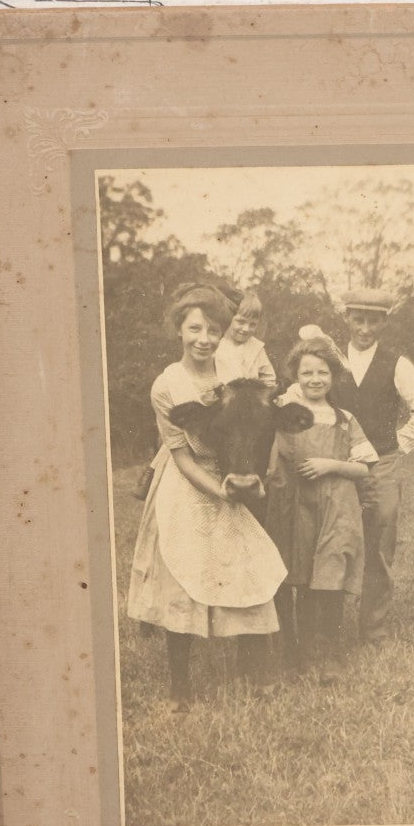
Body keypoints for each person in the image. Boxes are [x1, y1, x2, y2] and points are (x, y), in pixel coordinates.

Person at [127, 284, 287, 708]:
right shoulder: (167, 385)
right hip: (190, 483)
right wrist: (222, 492)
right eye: (194, 328)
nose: (204, 338)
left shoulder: (232, 372)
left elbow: (256, 424)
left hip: (233, 473)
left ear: (223, 333)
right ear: (178, 330)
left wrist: (250, 478)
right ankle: (181, 688)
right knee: (184, 574)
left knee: (246, 567)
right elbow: (181, 457)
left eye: (213, 329)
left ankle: (255, 672)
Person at [265, 336, 378, 678]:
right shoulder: (283, 418)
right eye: (307, 372)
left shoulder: (345, 419)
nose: (315, 379)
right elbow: (271, 463)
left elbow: (364, 467)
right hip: (295, 506)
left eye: (323, 372)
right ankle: (294, 653)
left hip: (337, 506)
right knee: (295, 575)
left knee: (330, 573)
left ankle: (329, 653)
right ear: (295, 377)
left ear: (334, 376)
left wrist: (330, 465)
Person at [331, 288, 414, 644]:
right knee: (332, 539)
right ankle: (325, 628)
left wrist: (395, 447)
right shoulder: (330, 360)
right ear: (346, 318)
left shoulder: (397, 363)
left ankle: (374, 627)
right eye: (358, 319)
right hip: (338, 464)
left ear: (383, 322)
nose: (364, 328)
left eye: (372, 320)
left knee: (379, 538)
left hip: (381, 465)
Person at [214, 289, 277, 386]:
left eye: (252, 324)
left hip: (251, 397)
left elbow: (268, 377)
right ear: (228, 317)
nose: (246, 329)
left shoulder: (256, 347)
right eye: (241, 322)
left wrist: (265, 395)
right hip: (225, 398)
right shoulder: (216, 345)